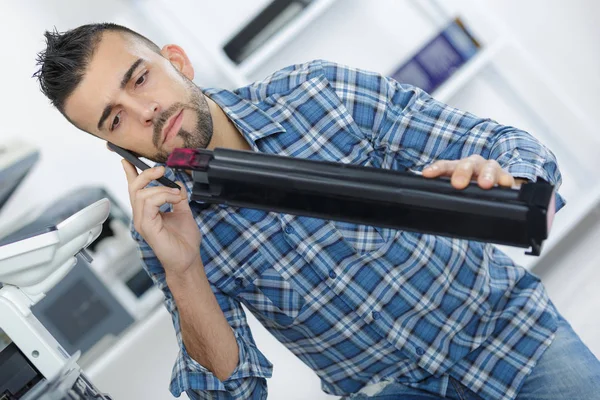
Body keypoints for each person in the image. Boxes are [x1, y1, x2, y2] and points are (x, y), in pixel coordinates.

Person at [34, 23, 600, 400]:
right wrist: (184, 270)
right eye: (115, 119)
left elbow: (504, 143)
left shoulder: (318, 91)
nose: (146, 111)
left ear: (177, 62)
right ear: (116, 148)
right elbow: (234, 392)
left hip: (510, 333)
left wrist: (508, 182)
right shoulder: (162, 232)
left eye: (141, 78)